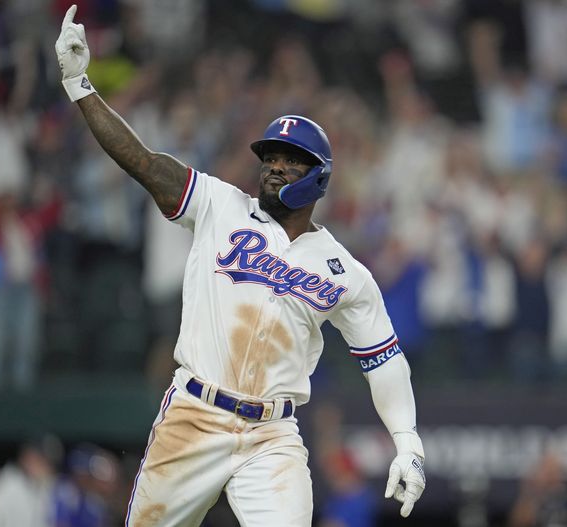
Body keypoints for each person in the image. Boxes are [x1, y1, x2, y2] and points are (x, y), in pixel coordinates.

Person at [55, 5, 426, 526]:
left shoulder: (345, 271)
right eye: (269, 155)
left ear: (318, 177)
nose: (273, 165)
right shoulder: (219, 204)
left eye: (288, 158)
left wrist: (407, 442)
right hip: (194, 415)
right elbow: (141, 160)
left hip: (272, 437)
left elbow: (383, 360)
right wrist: (81, 87)